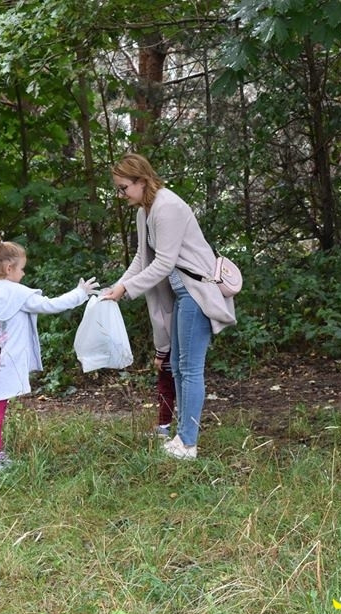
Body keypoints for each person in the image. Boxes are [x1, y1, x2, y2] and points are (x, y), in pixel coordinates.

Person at [100, 153, 236, 460]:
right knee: (176, 365)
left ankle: (187, 443)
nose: (121, 195)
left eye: (124, 188)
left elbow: (164, 263)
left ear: (141, 180)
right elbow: (142, 258)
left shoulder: (167, 206)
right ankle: (181, 437)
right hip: (179, 294)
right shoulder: (144, 212)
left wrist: (125, 289)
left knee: (189, 368)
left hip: (196, 292)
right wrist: (117, 286)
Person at [0, 235, 99, 472]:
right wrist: (80, 293)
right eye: (22, 269)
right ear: (9, 268)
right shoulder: (18, 294)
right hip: (5, 366)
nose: (23, 274)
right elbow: (51, 305)